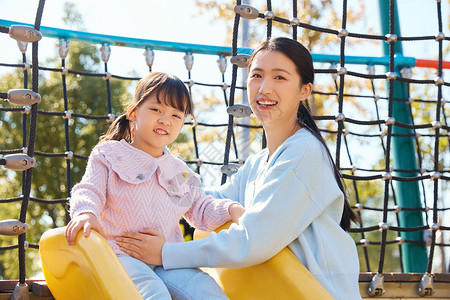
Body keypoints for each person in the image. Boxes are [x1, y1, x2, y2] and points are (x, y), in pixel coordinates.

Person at [115, 38, 362, 299]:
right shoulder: (258, 164)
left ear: (304, 90)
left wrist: (165, 252)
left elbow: (253, 239)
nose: (264, 88)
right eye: (257, 75)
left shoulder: (304, 153)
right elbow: (205, 201)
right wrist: (139, 185)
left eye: (280, 77)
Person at [65, 72, 245, 300]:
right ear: (133, 112)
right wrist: (86, 213)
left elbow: (201, 210)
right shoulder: (110, 155)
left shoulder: (178, 171)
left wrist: (230, 209)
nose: (165, 120)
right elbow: (90, 189)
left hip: (166, 258)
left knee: (204, 289)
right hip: (119, 253)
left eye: (175, 115)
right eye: (156, 110)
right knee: (153, 292)